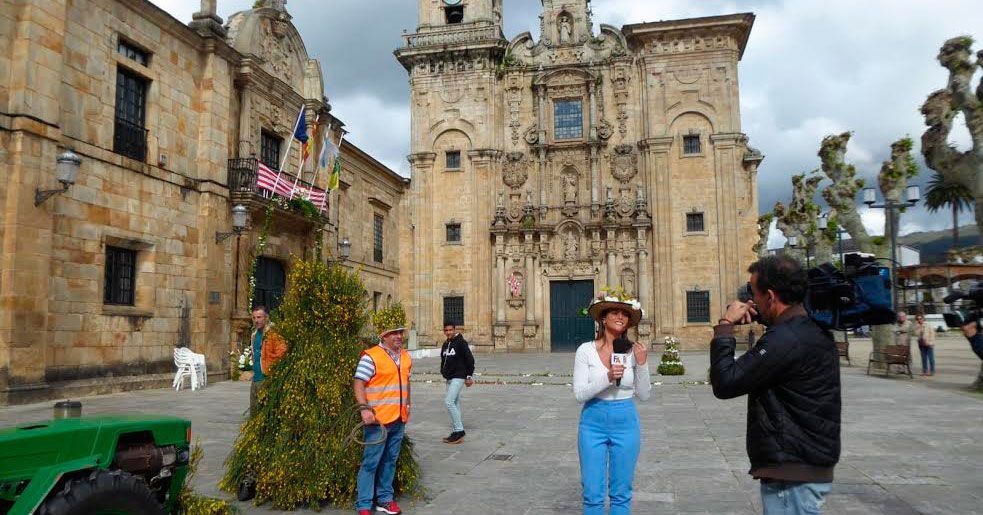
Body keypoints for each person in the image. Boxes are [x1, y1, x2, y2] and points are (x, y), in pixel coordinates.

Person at [710, 256, 840, 514]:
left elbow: (726, 382)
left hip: (793, 471)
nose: (751, 301)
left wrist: (725, 327)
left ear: (770, 296)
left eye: (754, 294)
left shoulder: (786, 339)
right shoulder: (809, 329)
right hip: (805, 463)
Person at [573, 293, 650, 515]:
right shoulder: (585, 350)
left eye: (625, 314)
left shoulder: (634, 351)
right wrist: (607, 377)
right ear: (603, 319)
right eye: (615, 312)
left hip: (626, 421)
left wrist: (642, 364)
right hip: (592, 422)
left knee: (621, 492)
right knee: (592, 492)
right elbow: (579, 393)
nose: (620, 317)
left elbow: (644, 394)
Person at [353, 313, 411, 515]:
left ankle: (385, 499)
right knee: (371, 463)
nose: (398, 336)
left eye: (400, 332)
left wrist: (408, 405)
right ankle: (363, 504)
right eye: (393, 333)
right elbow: (359, 383)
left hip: (398, 418)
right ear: (383, 336)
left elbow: (406, 382)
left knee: (390, 461)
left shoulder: (405, 356)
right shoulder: (371, 356)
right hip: (377, 420)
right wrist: (365, 409)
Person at [440, 322, 475, 444]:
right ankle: (456, 432)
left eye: (450, 330)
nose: (448, 332)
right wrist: (443, 372)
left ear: (454, 330)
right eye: (446, 330)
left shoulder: (461, 343)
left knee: (449, 402)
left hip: (459, 376)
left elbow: (469, 359)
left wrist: (469, 376)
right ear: (444, 331)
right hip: (449, 378)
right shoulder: (445, 344)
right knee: (455, 403)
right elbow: (443, 360)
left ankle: (459, 430)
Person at [248, 305, 288, 411]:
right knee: (254, 412)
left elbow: (282, 352)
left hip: (266, 379)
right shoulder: (254, 335)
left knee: (264, 412)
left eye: (259, 317)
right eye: (254, 318)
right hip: (255, 380)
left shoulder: (273, 334)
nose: (256, 320)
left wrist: (269, 365)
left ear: (266, 318)